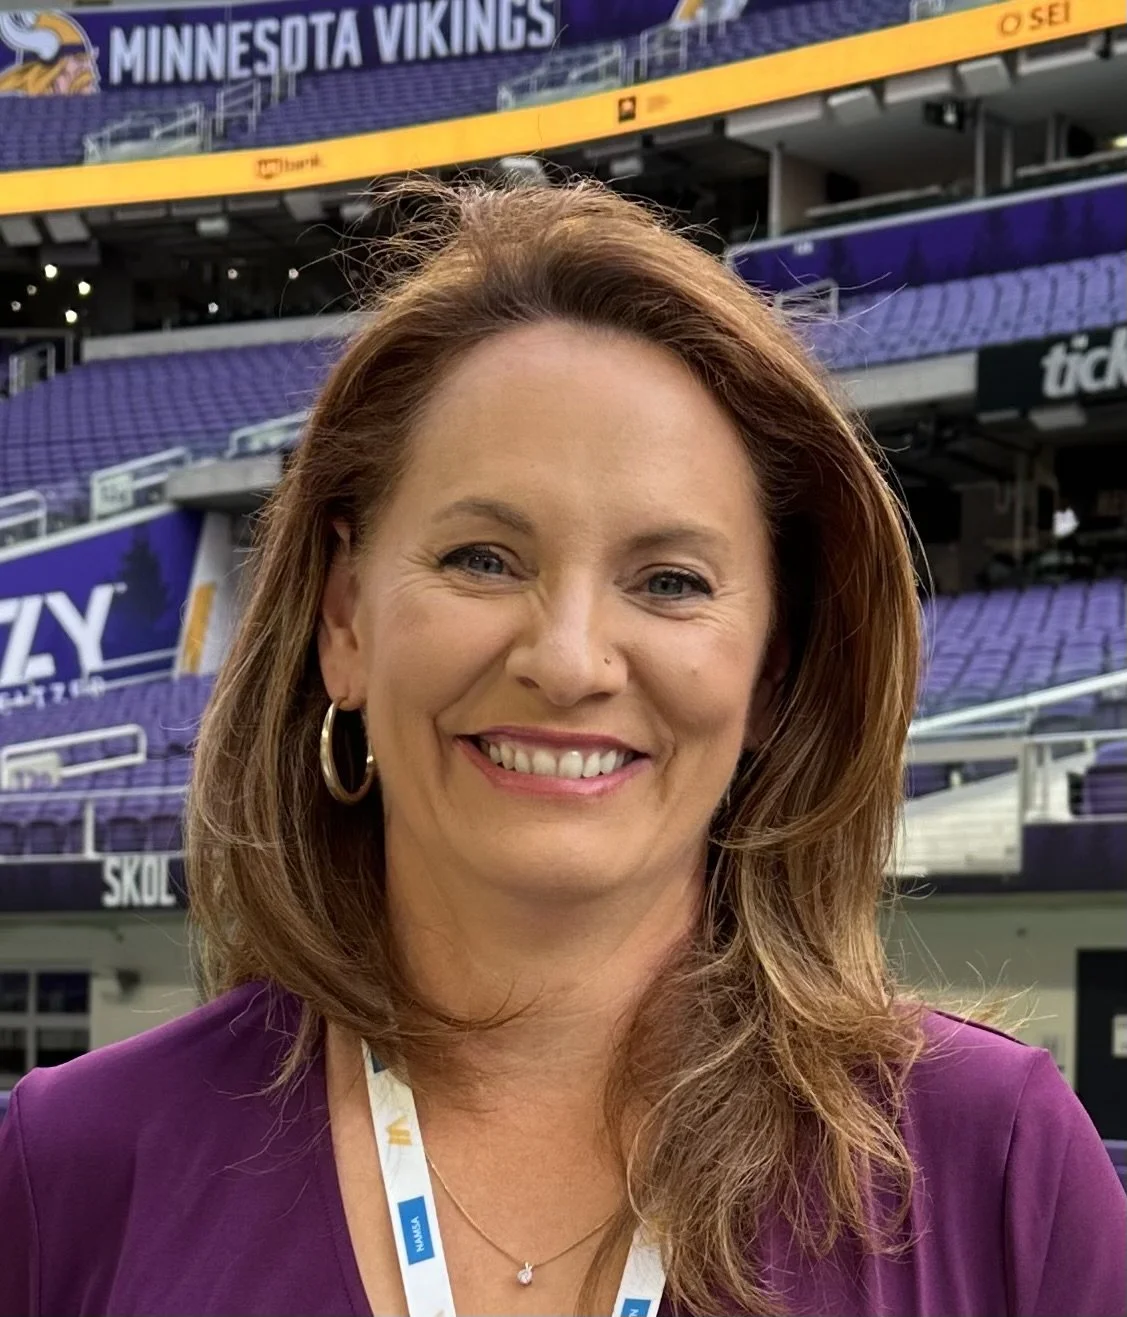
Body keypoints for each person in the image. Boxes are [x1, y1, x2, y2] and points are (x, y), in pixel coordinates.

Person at [0, 179, 1123, 1317]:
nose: (571, 659)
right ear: (344, 619)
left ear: (770, 671)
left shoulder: (993, 1169)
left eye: (670, 581)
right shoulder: (71, 1166)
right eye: (483, 558)